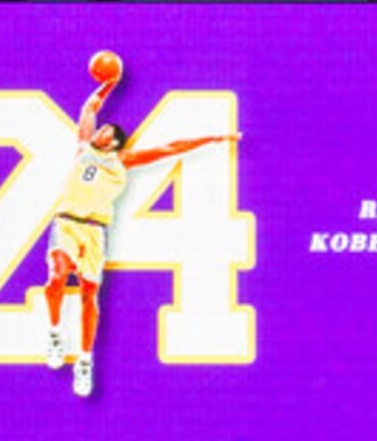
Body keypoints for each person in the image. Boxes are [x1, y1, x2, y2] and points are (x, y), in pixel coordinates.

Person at [41, 55, 237, 397]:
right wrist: (109, 83)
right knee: (57, 275)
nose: (100, 130)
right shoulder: (83, 149)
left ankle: (85, 360)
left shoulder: (121, 161)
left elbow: (169, 148)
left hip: (96, 230)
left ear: (115, 141)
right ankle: (56, 334)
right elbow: (88, 109)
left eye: (106, 131)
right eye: (100, 129)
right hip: (67, 223)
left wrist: (215, 138)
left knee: (89, 295)